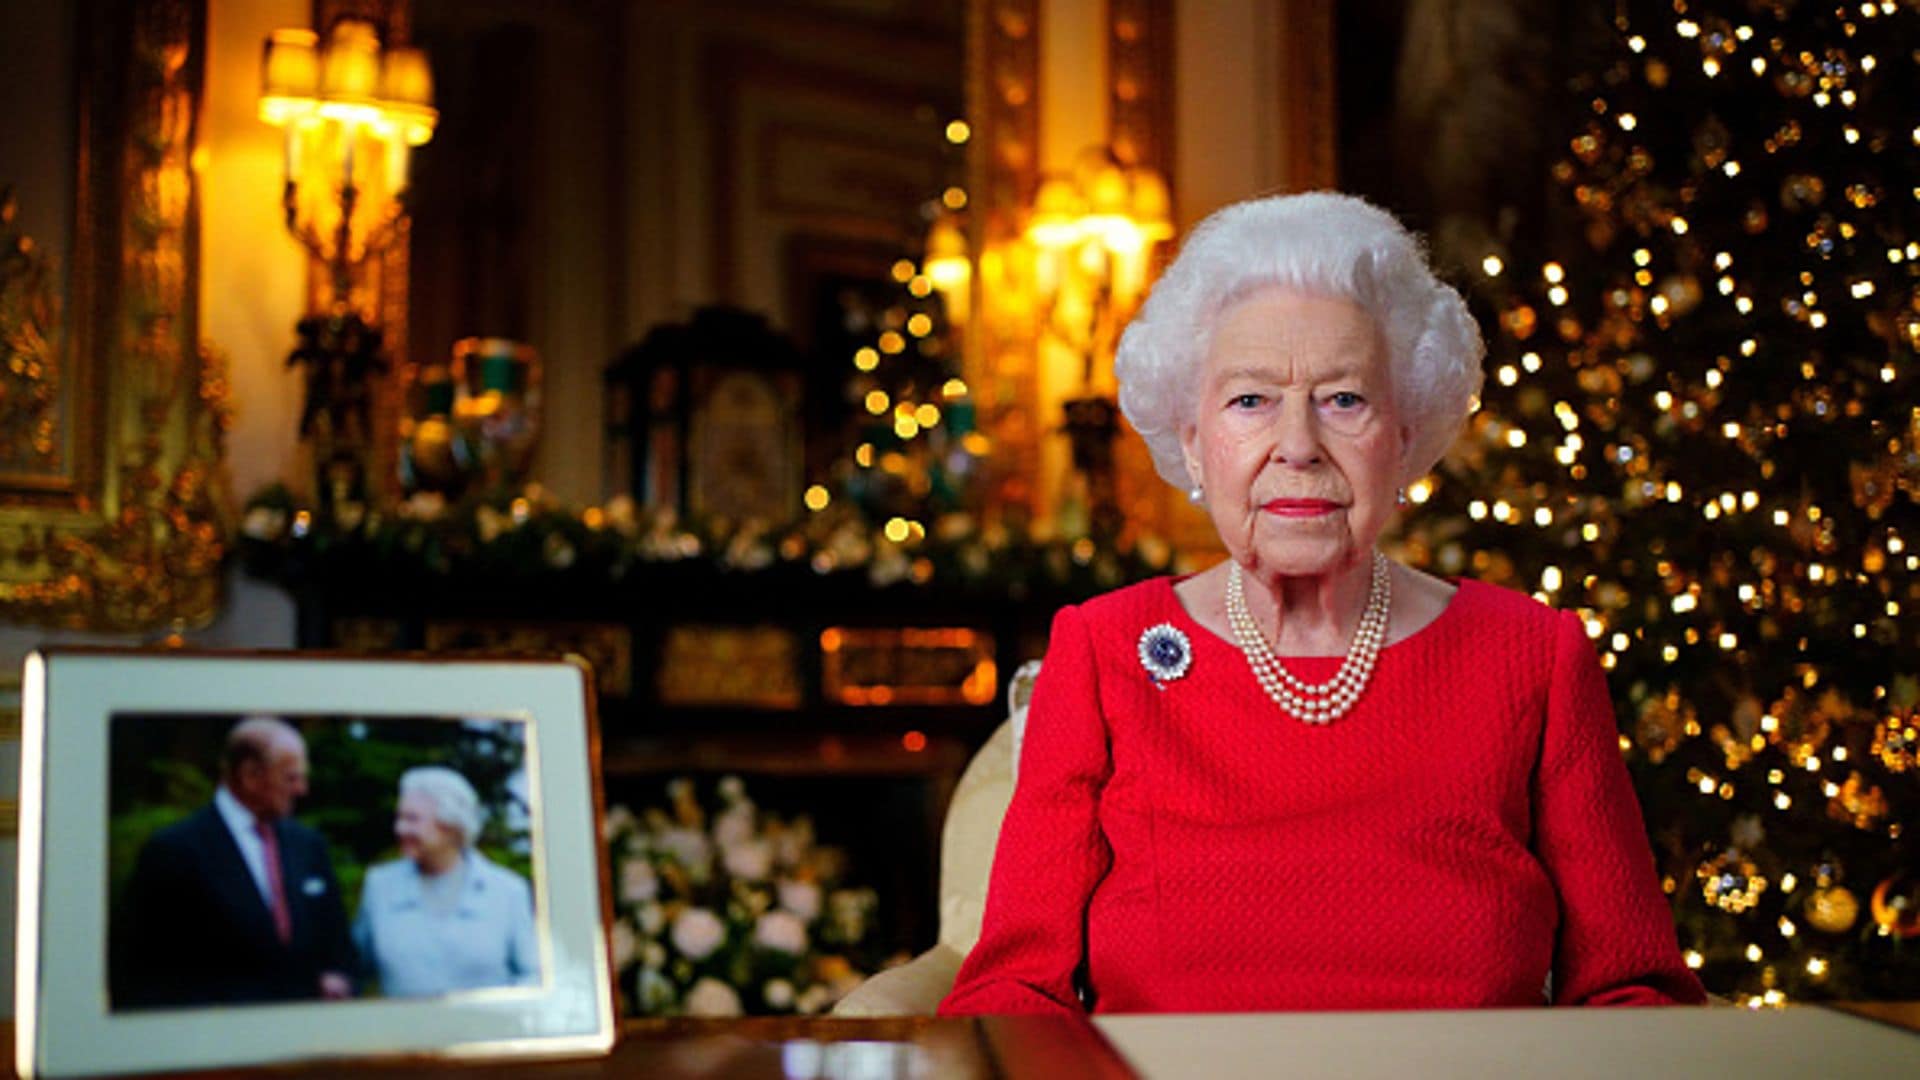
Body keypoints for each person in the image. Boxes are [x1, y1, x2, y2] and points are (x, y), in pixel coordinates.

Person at [940, 193, 1708, 1015]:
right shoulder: (1103, 650)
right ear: (1194, 440)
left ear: (1406, 435)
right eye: (1250, 401)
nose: (1299, 445)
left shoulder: (1531, 655)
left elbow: (1632, 990)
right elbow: (1013, 994)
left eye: (1344, 399)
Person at [111, 717, 355, 1008]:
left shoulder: (308, 845)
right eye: (291, 777)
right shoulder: (174, 851)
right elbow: (136, 968)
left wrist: (339, 978)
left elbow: (339, 945)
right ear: (250, 775)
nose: (302, 789)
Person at [353, 766, 541, 996]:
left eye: (412, 819)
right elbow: (354, 971)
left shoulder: (508, 891)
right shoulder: (380, 886)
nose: (400, 829)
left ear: (451, 827)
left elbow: (532, 975)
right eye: (399, 818)